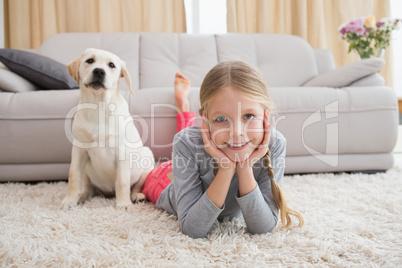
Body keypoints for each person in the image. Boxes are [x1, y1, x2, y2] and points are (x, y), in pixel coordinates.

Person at [141, 61, 303, 238]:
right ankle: (183, 108)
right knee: (186, 142)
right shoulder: (185, 143)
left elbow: (263, 227)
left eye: (248, 116)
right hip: (163, 179)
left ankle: (185, 109)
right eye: (221, 119)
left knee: (197, 139)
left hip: (201, 149)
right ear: (205, 119)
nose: (237, 133)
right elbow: (193, 229)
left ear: (265, 115)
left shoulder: (275, 143)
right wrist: (226, 168)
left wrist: (245, 167)